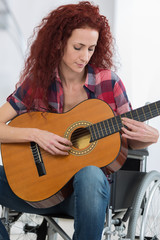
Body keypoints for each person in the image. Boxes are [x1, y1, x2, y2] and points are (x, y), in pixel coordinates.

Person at [0, 1, 159, 240]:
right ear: (59, 43)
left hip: (87, 198)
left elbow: (127, 141)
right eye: (78, 47)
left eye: (91, 49)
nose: (84, 56)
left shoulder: (109, 83)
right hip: (38, 191)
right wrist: (36, 134)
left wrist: (149, 138)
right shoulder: (38, 82)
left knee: (90, 174)